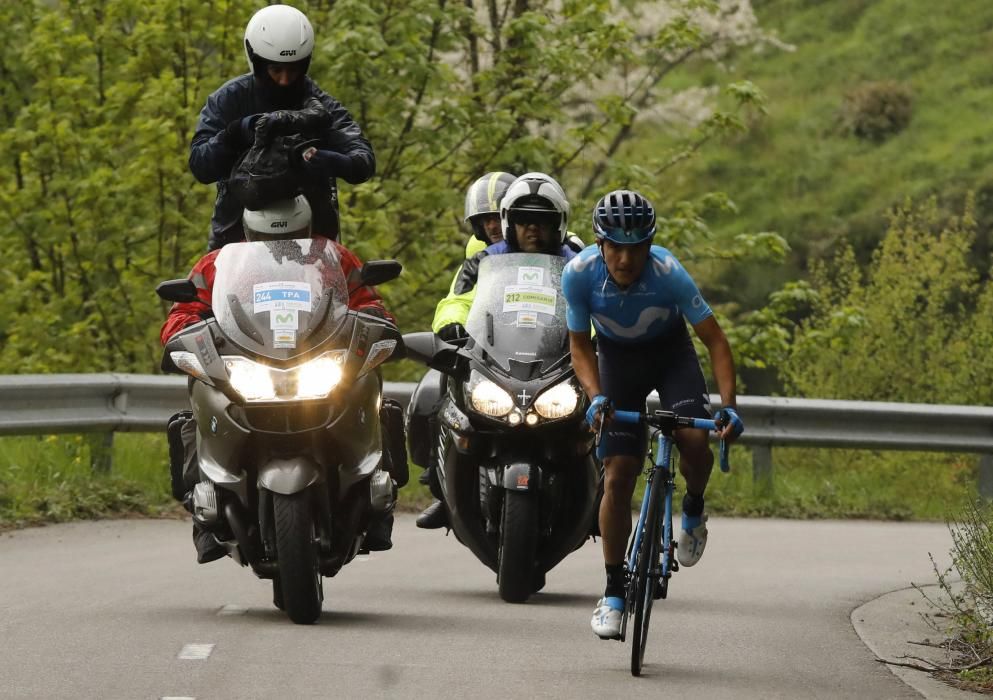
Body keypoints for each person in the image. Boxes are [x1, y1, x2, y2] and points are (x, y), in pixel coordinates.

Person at [161, 196, 399, 562]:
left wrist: (376, 323)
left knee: (369, 387)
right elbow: (183, 311)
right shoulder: (217, 264)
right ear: (248, 234)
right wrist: (190, 332)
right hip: (247, 364)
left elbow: (368, 300)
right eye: (267, 241)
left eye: (291, 239)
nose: (280, 249)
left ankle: (377, 500)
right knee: (201, 398)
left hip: (316, 360)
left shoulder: (332, 257)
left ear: (306, 230)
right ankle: (202, 511)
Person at [560, 189, 744, 640]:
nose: (626, 259)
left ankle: (694, 509)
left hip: (670, 355)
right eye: (616, 247)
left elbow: (715, 341)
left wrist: (729, 407)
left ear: (649, 245)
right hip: (617, 362)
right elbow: (580, 345)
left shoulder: (668, 273)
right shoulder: (579, 274)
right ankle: (614, 593)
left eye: (636, 247)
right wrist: (596, 396)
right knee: (618, 474)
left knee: (695, 441)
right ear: (600, 244)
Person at [416, 172, 578, 529]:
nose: (532, 230)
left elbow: (593, 308)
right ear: (510, 224)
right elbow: (456, 301)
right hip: (494, 354)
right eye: (523, 222)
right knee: (436, 395)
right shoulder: (482, 260)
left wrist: (594, 337)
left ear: (559, 224)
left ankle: (602, 488)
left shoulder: (578, 261)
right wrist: (450, 327)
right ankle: (445, 488)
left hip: (558, 357)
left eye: (542, 222)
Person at [189, 4, 375, 250]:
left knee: (357, 287)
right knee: (198, 286)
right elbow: (200, 165)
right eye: (276, 70)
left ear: (305, 63)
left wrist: (326, 161)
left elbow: (363, 159)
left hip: (313, 248)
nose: (285, 80)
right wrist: (238, 132)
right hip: (235, 246)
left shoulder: (319, 105)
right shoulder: (230, 99)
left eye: (293, 69)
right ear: (256, 61)